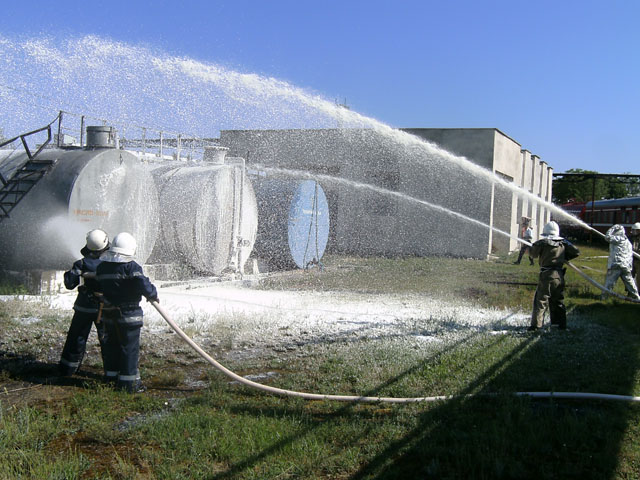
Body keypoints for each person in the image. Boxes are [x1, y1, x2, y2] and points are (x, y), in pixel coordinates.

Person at [95, 232, 158, 392]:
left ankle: (111, 378)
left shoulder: (102, 267)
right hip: (129, 315)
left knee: (112, 346)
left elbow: (98, 285)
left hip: (109, 314)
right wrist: (153, 294)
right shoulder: (131, 267)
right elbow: (143, 284)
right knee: (129, 348)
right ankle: (130, 384)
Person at [59, 229, 110, 376]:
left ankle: (68, 368)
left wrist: (73, 273)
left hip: (84, 307)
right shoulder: (110, 264)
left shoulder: (81, 263)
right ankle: (112, 371)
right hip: (104, 308)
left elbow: (69, 283)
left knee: (76, 337)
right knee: (107, 340)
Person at [529, 221, 580, 331]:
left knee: (541, 300)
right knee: (557, 300)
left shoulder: (542, 243)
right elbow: (576, 252)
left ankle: (536, 326)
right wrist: (564, 256)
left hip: (546, 274)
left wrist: (533, 246)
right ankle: (559, 324)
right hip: (559, 275)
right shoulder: (563, 243)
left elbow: (532, 255)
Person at [601, 224, 640, 300]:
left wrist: (612, 228)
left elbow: (607, 237)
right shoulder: (628, 242)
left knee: (609, 282)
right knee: (630, 283)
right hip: (626, 266)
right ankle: (637, 297)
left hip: (617, 265)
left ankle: (604, 297)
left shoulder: (618, 239)